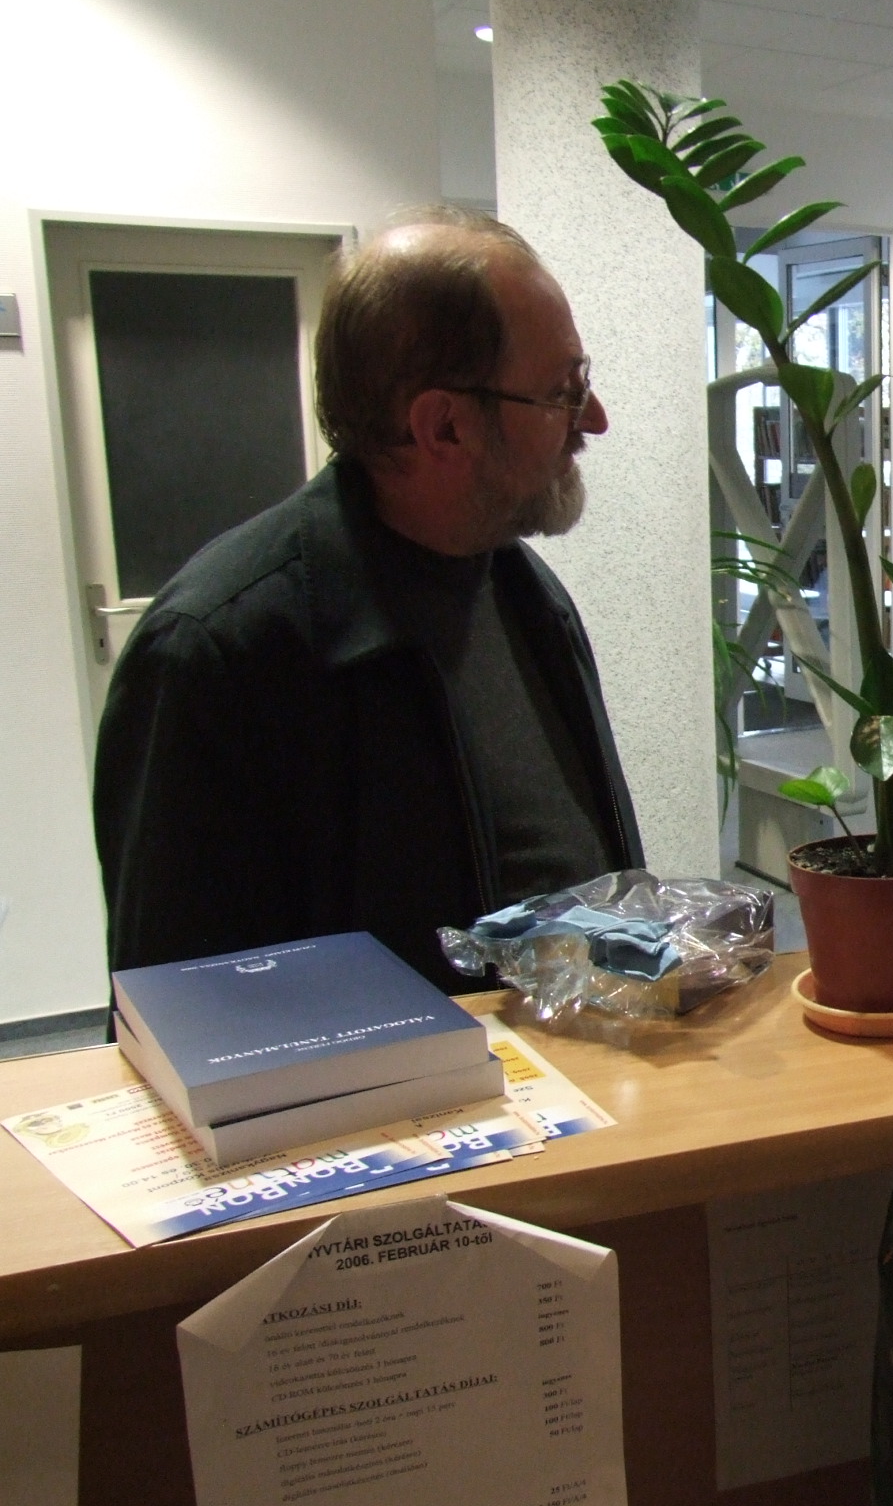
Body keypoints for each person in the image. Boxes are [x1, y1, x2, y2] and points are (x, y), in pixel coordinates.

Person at [94, 207, 643, 990]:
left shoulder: (526, 594)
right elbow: (179, 1011)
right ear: (443, 427)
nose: (594, 418)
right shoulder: (216, 652)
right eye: (563, 390)